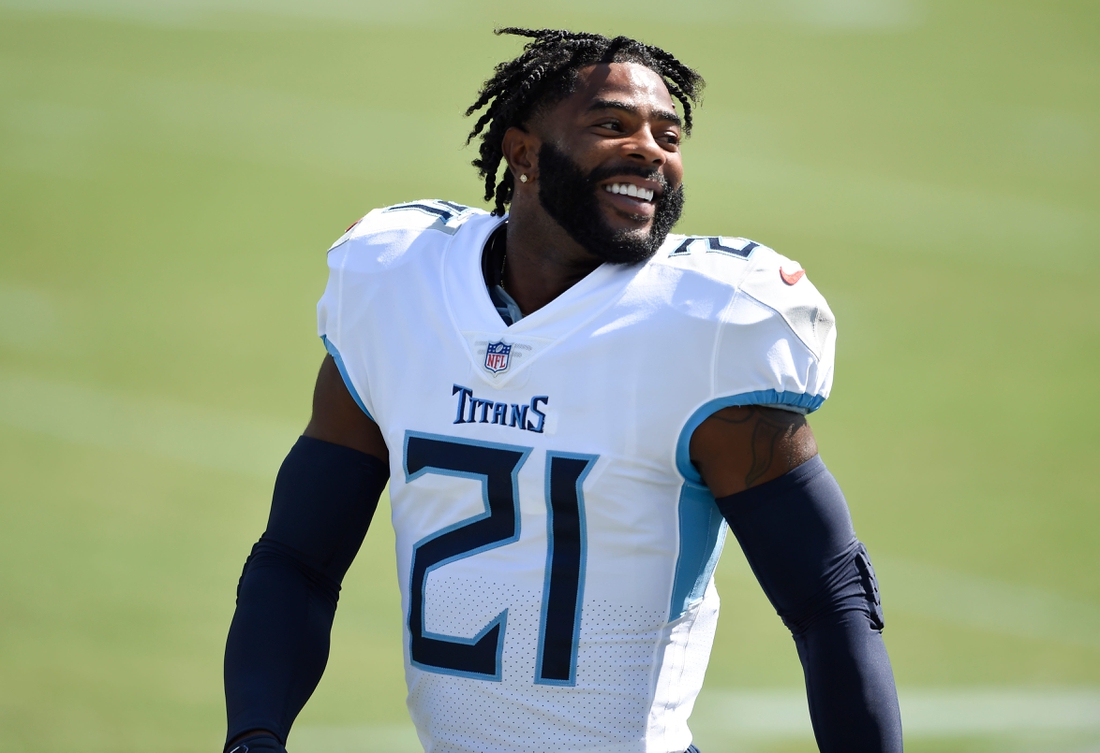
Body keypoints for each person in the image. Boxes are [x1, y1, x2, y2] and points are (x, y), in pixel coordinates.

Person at [223, 28, 903, 753]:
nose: (651, 150)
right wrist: (254, 736)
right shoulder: (401, 284)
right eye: (612, 124)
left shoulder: (707, 325)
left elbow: (830, 600)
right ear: (522, 153)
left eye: (668, 135)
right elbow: (298, 558)